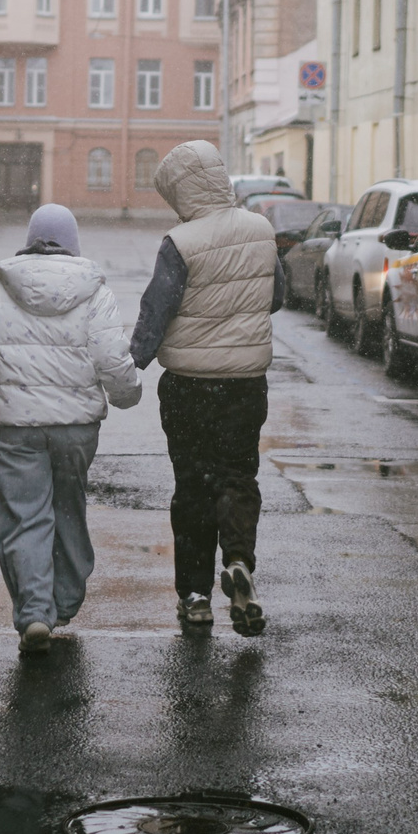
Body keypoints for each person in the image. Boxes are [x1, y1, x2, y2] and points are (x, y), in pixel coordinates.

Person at [0, 204, 140, 655]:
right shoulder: (95, 290)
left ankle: (36, 612)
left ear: (30, 240)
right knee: (68, 509)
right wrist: (126, 394)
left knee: (24, 517)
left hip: (18, 428)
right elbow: (111, 357)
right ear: (72, 243)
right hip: (76, 429)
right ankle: (65, 600)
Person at [129, 141, 289, 636]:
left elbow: (157, 310)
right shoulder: (261, 230)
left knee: (193, 486)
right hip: (245, 384)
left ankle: (196, 596)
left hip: (189, 387)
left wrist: (130, 363)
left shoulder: (180, 242)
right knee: (238, 476)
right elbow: (276, 297)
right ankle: (238, 560)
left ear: (179, 192)